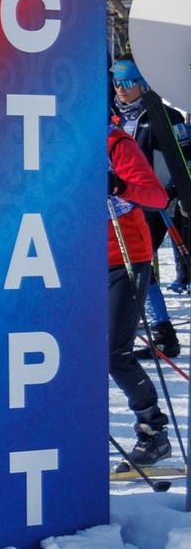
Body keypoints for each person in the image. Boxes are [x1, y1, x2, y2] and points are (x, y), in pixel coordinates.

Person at [114, 58, 191, 354]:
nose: (121, 89)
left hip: (154, 203)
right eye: (117, 83)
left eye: (128, 83)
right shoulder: (114, 115)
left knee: (138, 265)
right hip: (122, 203)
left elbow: (182, 160)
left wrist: (175, 194)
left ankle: (162, 333)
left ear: (143, 84)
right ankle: (158, 331)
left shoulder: (163, 116)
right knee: (138, 267)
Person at [109, 123, 172, 468]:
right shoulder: (47, 138)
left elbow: (157, 196)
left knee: (113, 353)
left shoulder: (115, 143)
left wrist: (118, 185)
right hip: (72, 260)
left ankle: (153, 432)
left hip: (123, 257)